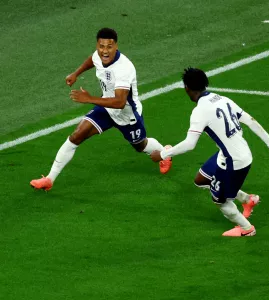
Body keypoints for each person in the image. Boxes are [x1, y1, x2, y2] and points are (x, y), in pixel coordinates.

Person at [30, 28, 172, 191]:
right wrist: (76, 73)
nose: (105, 51)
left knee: (140, 146)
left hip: (127, 115)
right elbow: (92, 59)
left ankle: (164, 152)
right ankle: (49, 179)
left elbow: (120, 102)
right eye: (101, 46)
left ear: (116, 46)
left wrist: (89, 99)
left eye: (109, 47)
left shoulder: (124, 69)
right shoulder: (99, 55)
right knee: (76, 136)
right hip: (105, 107)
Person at [151, 67, 269, 236]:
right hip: (230, 154)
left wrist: (162, 154)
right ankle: (248, 200)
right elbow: (250, 120)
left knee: (220, 200)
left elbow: (190, 144)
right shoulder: (223, 99)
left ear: (187, 88)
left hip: (235, 162)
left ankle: (247, 229)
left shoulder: (200, 111)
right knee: (201, 179)